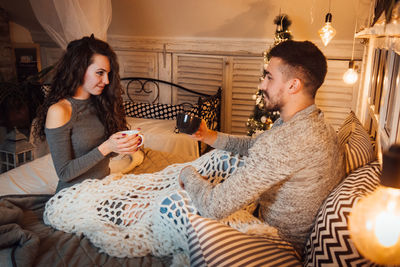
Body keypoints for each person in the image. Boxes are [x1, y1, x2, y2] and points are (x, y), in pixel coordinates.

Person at [179, 40, 345, 256]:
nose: (261, 85)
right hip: (276, 223)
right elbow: (256, 145)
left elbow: (212, 206)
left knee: (173, 201)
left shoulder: (291, 141)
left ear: (293, 85)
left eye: (269, 77)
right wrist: (209, 136)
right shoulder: (311, 122)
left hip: (274, 242)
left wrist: (186, 171)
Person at [33, 35, 142, 193]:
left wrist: (122, 145)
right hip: (74, 196)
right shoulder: (59, 111)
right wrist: (106, 146)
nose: (106, 81)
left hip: (102, 188)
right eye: (100, 73)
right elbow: (65, 173)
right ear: (79, 69)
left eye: (107, 74)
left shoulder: (101, 103)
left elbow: (102, 157)